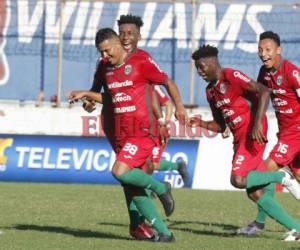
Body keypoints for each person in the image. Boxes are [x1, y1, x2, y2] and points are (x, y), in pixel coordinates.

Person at [69, 28, 187, 242]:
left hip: (143, 131)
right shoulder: (105, 67)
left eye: (106, 51)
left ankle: (162, 187)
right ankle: (164, 233)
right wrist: (88, 97)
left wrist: (179, 107)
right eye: (100, 52)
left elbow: (167, 82)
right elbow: (109, 97)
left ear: (117, 45)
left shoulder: (141, 62)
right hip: (121, 134)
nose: (104, 56)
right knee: (131, 185)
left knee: (120, 171)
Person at [189, 44, 300, 240]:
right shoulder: (210, 92)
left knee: (238, 179)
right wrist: (200, 123)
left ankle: (282, 178)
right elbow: (220, 125)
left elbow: (264, 91)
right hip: (239, 140)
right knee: (254, 192)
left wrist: (257, 123)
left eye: (202, 66)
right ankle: (295, 228)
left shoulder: (231, 76)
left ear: (213, 62)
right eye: (197, 68)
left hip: (253, 135)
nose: (199, 71)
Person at [243, 30, 300, 241]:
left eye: (268, 50)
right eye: (260, 50)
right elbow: (258, 100)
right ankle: (261, 221)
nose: (263, 54)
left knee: (264, 172)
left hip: (296, 133)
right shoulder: (264, 73)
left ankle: (261, 222)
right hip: (285, 132)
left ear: (278, 50)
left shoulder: (291, 71)